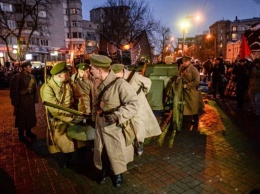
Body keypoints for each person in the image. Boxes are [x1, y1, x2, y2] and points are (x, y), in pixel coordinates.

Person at [90, 54, 139, 188]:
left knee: (116, 151)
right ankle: (104, 171)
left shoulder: (120, 83)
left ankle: (118, 174)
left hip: (115, 125)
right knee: (102, 150)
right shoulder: (96, 83)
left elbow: (134, 104)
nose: (90, 70)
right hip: (100, 123)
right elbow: (95, 103)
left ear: (100, 70)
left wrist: (117, 115)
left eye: (92, 68)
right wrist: (93, 117)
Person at [40, 61, 87, 168]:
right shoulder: (47, 88)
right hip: (60, 119)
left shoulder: (69, 83)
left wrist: (81, 114)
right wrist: (71, 118)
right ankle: (67, 160)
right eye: (66, 74)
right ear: (59, 75)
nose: (68, 75)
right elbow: (54, 108)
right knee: (64, 143)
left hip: (75, 116)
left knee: (81, 141)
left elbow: (79, 98)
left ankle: (82, 160)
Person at [110, 63, 161, 156]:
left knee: (139, 123)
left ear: (121, 72)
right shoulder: (116, 79)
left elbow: (148, 82)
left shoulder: (134, 76)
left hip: (138, 103)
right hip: (125, 104)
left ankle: (139, 143)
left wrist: (142, 94)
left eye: (116, 74)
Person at [10, 61, 39, 143]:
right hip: (22, 100)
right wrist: (15, 102)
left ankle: (29, 132)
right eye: (29, 67)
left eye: (30, 66)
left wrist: (35, 99)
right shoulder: (17, 77)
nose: (31, 68)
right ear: (24, 68)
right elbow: (14, 90)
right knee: (22, 118)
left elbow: (34, 89)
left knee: (30, 116)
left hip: (30, 100)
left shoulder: (32, 77)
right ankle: (21, 134)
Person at [178, 56, 204, 127]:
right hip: (185, 91)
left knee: (193, 106)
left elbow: (197, 81)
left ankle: (196, 120)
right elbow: (179, 75)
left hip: (193, 91)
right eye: (183, 62)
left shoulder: (193, 69)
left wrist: (187, 85)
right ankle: (187, 119)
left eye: (186, 62)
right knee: (186, 106)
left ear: (189, 61)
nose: (184, 63)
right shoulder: (183, 68)